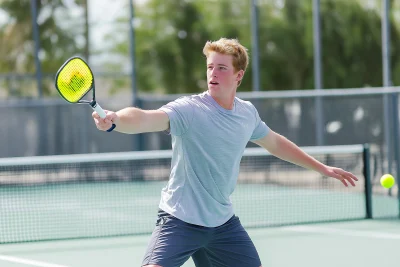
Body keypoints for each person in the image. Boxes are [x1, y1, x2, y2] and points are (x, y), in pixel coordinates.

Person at [92, 38, 358, 267]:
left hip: (222, 224)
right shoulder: (190, 110)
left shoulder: (246, 114)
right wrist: (115, 120)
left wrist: (322, 168)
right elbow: (145, 118)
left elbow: (276, 143)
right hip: (180, 219)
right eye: (210, 67)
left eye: (221, 68)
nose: (213, 74)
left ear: (238, 76)